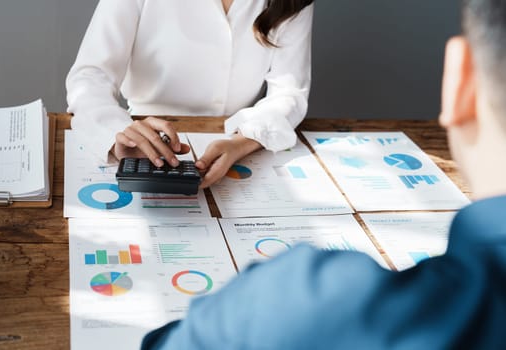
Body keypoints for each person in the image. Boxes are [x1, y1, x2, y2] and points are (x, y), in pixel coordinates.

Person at [141, 0, 506, 348]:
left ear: (460, 79)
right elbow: (87, 80)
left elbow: (290, 91)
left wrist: (243, 139)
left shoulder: (305, 304)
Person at [66, 0, 314, 188]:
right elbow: (90, 76)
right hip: (146, 141)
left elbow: (289, 91)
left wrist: (243, 142)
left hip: (236, 141)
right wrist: (117, 133)